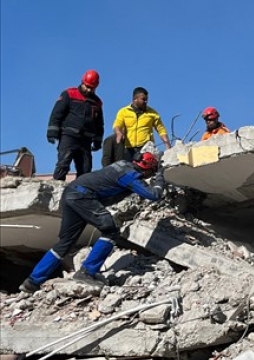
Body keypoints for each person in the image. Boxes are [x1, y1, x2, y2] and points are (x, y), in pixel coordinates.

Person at [19, 152, 165, 293]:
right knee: (111, 231)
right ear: (148, 168)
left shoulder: (122, 165)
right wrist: (160, 178)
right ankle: (87, 272)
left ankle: (32, 282)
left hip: (70, 193)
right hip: (83, 196)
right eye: (151, 171)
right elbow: (153, 195)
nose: (149, 176)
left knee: (65, 243)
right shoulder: (130, 175)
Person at [48, 69, 104, 180]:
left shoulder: (97, 102)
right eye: (87, 86)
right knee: (63, 163)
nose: (88, 90)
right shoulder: (69, 94)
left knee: (85, 169)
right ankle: (57, 187)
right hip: (69, 136)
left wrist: (98, 141)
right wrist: (52, 131)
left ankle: (81, 193)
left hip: (86, 140)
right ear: (82, 82)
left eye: (91, 88)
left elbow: (99, 124)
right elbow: (57, 113)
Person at [113, 87, 172, 161]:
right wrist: (119, 133)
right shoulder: (123, 112)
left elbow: (161, 129)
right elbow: (117, 124)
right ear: (135, 99)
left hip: (146, 149)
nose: (146, 101)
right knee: (129, 170)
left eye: (147, 99)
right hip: (128, 149)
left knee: (147, 170)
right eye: (143, 99)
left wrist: (167, 144)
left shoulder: (152, 113)